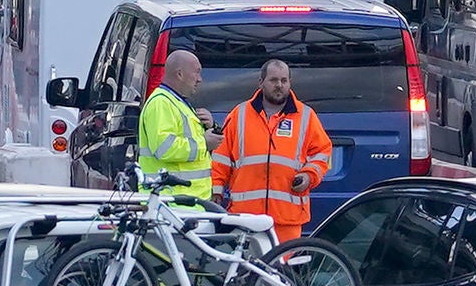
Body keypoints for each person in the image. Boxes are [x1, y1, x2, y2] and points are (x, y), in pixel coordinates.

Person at [214, 56, 335, 243]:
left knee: (282, 271)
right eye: (273, 80)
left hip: (287, 219)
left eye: (284, 80)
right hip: (246, 218)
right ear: (261, 82)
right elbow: (220, 159)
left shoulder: (306, 116)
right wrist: (216, 193)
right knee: (247, 271)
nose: (279, 85)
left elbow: (322, 153)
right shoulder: (239, 114)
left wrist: (309, 175)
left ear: (289, 83)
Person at [134, 47, 214, 207]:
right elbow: (164, 148)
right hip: (171, 204)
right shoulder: (161, 103)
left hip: (184, 204)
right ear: (179, 74)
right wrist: (204, 143)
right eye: (197, 72)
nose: (200, 79)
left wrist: (210, 127)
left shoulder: (177, 103)